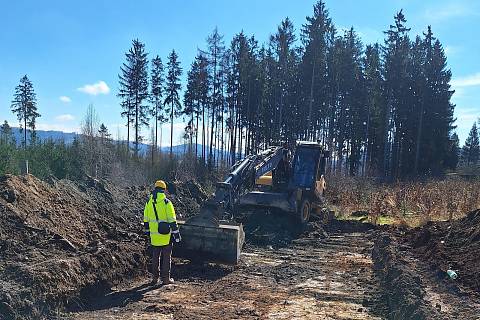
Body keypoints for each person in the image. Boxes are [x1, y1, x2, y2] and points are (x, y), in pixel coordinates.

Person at [143, 180, 181, 285]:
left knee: (155, 257)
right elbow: (172, 220)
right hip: (165, 235)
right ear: (164, 190)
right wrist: (176, 234)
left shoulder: (148, 202)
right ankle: (166, 279)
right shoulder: (166, 202)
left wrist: (147, 233)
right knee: (166, 256)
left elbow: (145, 220)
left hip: (154, 236)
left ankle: (154, 278)